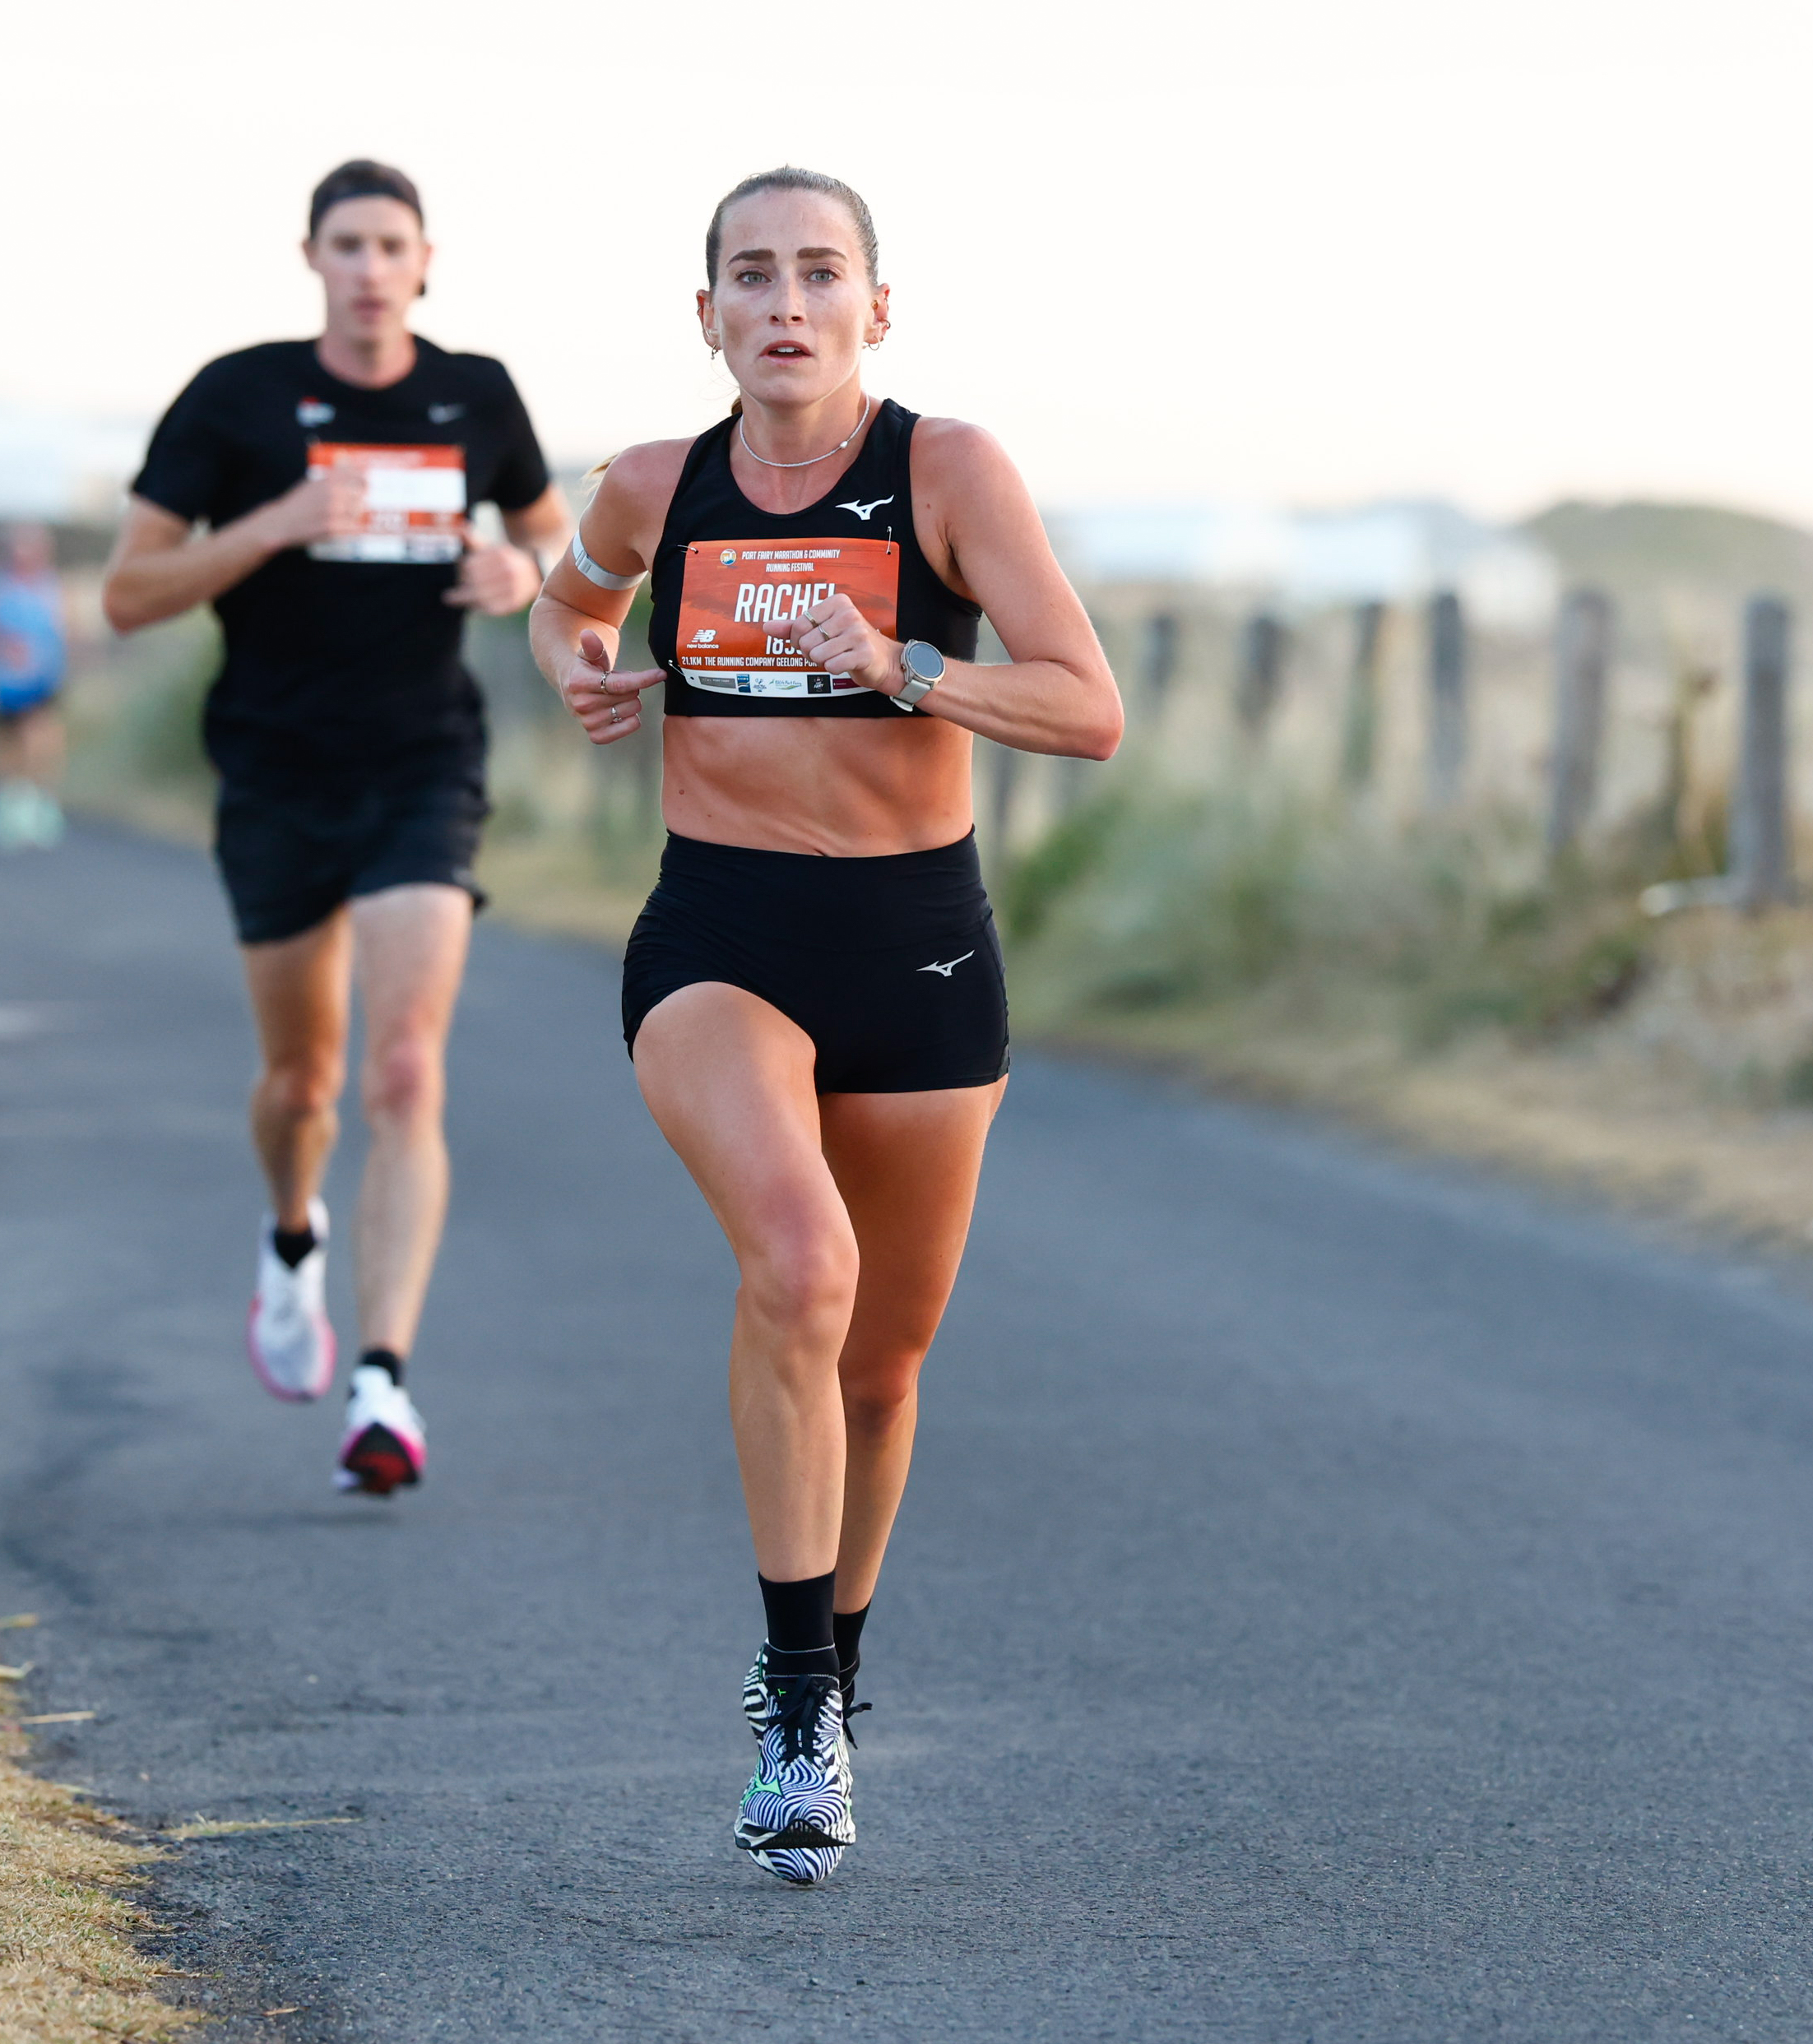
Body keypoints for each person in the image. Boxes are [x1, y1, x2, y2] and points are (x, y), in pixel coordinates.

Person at [531, 168, 1121, 1884]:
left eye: (819, 272)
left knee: (882, 1360)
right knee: (800, 1262)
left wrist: (909, 670)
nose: (784, 302)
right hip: (717, 932)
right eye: (749, 275)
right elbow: (564, 600)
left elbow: (1086, 709)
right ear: (703, 312)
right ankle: (793, 1709)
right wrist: (581, 660)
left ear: (878, 306)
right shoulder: (656, 483)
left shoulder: (947, 472)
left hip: (918, 946)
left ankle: (838, 1675)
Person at [104, 159, 569, 1493]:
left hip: (423, 760)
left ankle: (382, 1384)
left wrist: (519, 570)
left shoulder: (473, 394)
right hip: (273, 769)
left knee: (404, 1071)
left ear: (426, 263)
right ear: (310, 257)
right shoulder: (237, 396)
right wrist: (279, 521)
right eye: (345, 245)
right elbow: (130, 596)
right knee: (302, 1084)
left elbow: (562, 546)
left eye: (391, 246)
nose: (368, 268)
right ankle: (290, 1231)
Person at [0, 523, 72, 851]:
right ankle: (12, 806)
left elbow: (68, 630)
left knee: (40, 738)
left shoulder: (53, 588)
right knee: (8, 745)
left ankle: (40, 803)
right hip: (2, 681)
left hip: (42, 679)